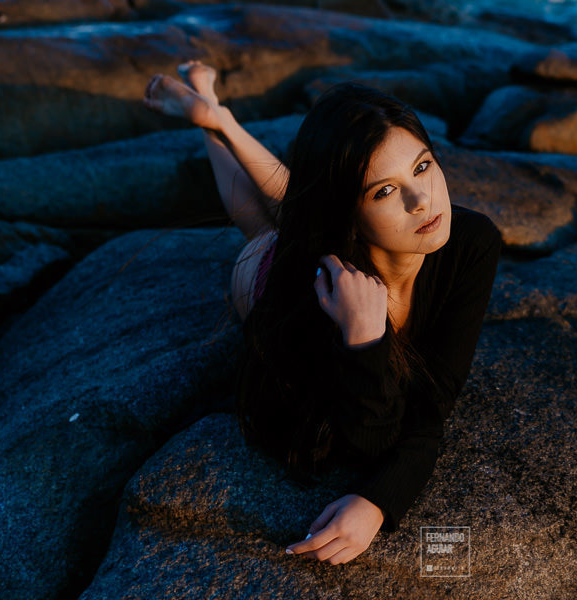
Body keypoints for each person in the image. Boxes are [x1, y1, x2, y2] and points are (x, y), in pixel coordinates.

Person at [142, 61, 502, 565]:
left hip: (343, 233)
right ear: (352, 215)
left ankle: (216, 116)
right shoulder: (314, 305)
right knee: (260, 230)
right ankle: (208, 123)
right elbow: (368, 439)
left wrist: (378, 502)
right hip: (268, 279)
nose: (422, 201)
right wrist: (363, 338)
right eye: (385, 191)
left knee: (296, 204)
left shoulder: (472, 241)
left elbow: (433, 403)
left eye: (422, 166)